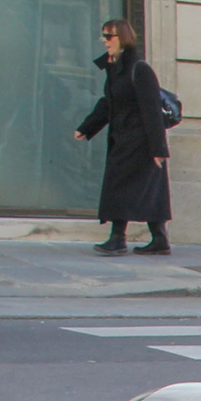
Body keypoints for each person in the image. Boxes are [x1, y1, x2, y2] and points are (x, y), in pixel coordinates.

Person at [74, 19, 170, 256]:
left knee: (122, 187)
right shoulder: (115, 69)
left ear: (123, 39)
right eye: (104, 36)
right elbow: (109, 103)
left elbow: (152, 111)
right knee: (146, 190)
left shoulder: (140, 69)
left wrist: (158, 148)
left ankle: (118, 238)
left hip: (140, 142)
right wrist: (87, 127)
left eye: (109, 36)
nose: (105, 41)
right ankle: (159, 239)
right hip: (124, 138)